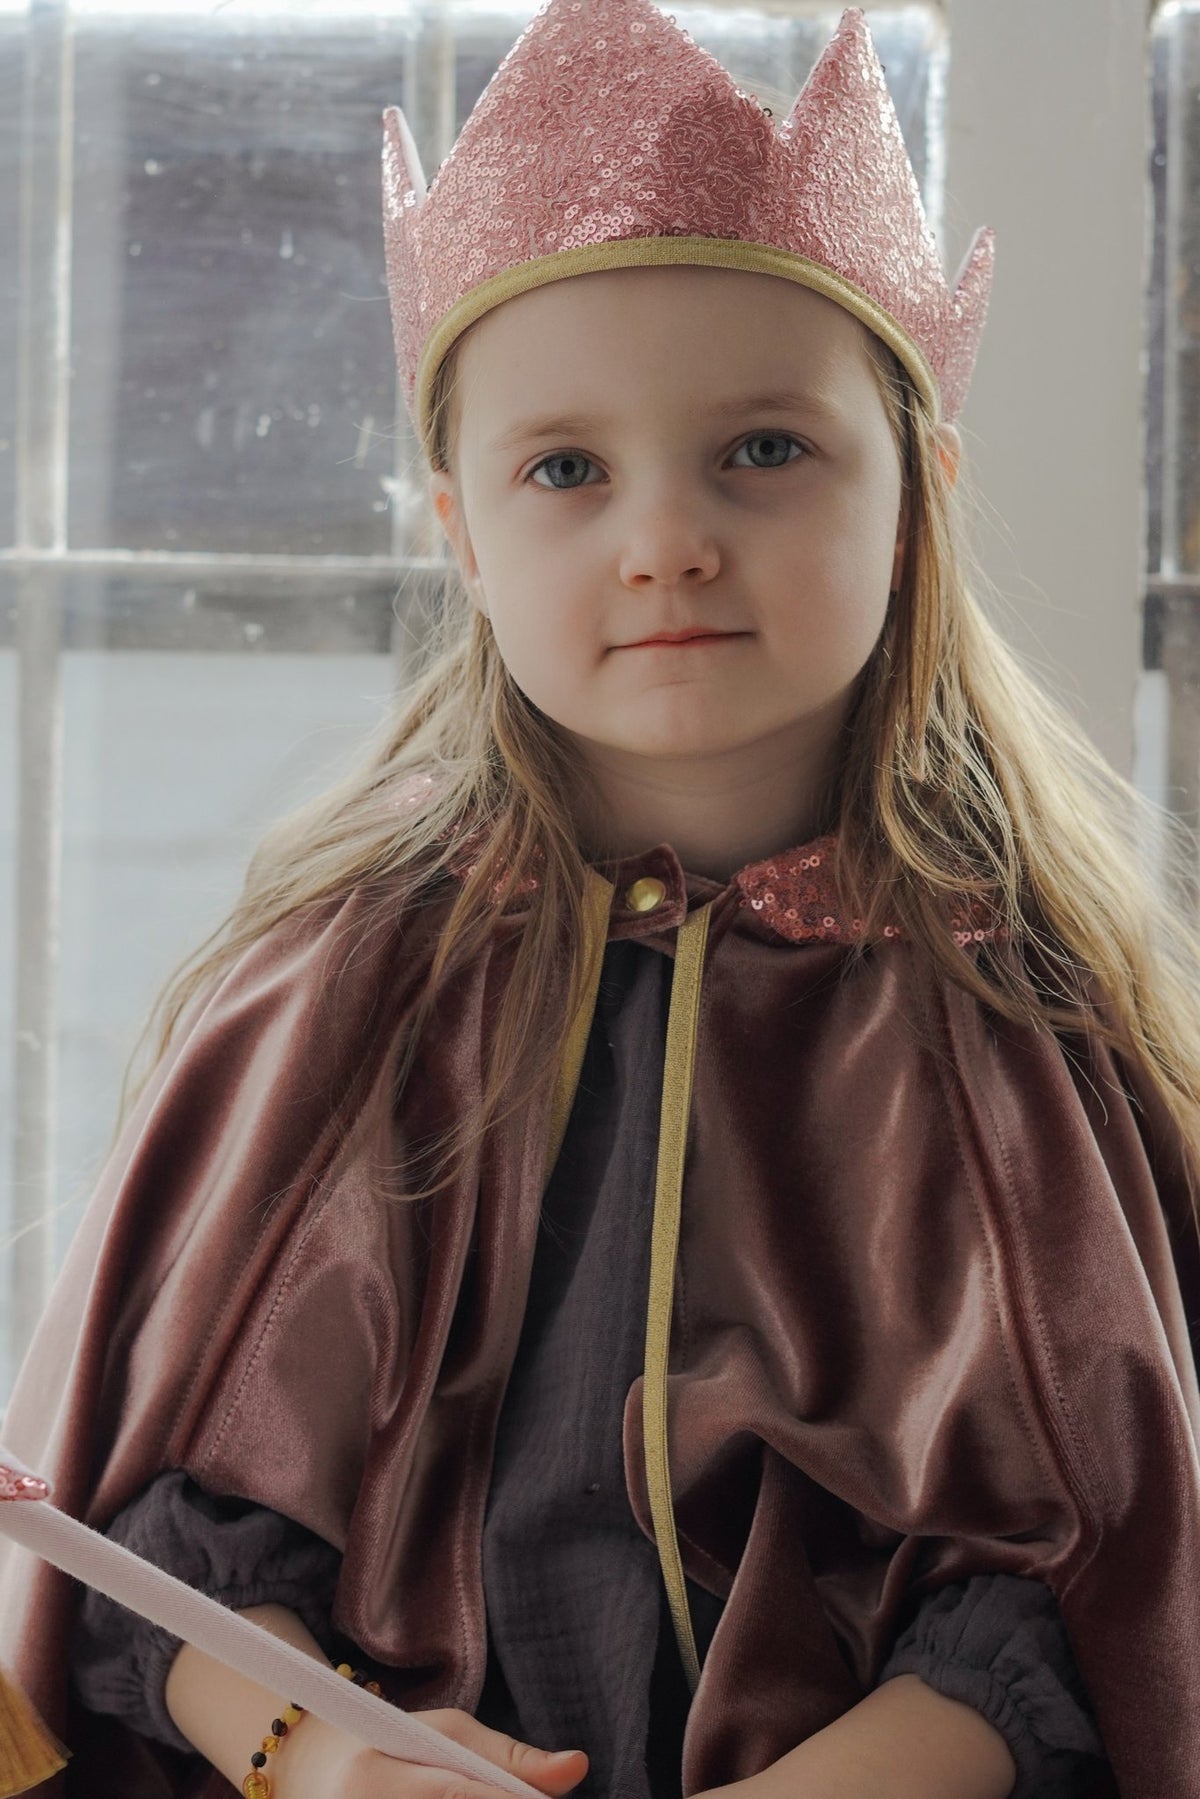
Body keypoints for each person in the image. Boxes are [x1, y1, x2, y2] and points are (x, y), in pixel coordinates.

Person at [2, 3, 1200, 1797]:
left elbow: (1088, 1582)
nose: (667, 543)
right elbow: (159, 1549)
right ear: (463, 535)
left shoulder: (1013, 1021)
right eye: (566, 469)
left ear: (917, 492)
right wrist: (326, 1762)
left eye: (765, 449)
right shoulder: (346, 1000)